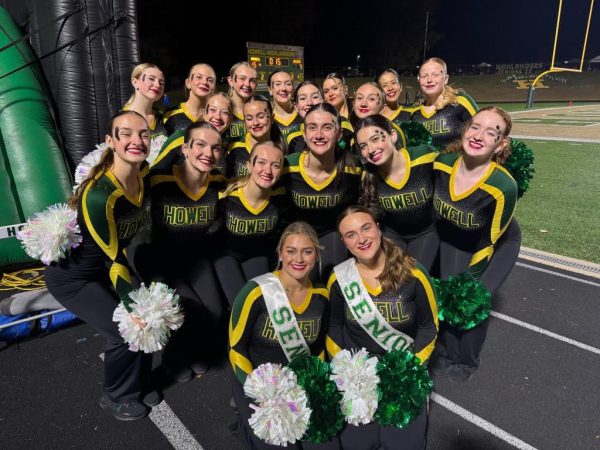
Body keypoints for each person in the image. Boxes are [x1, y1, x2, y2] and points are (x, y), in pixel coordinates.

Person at [44, 111, 154, 421]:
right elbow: (115, 260)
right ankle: (115, 395)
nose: (136, 140)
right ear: (111, 141)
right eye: (126, 134)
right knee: (124, 329)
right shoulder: (100, 195)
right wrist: (133, 306)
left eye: (143, 134)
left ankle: (140, 383)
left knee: (144, 318)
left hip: (102, 270)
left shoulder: (144, 174)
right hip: (74, 278)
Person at [327, 206, 438, 450]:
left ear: (378, 228)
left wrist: (410, 370)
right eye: (351, 234)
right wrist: (345, 370)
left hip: (403, 368)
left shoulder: (415, 274)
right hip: (359, 373)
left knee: (405, 444)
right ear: (345, 242)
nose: (362, 239)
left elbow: (428, 328)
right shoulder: (339, 279)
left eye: (366, 228)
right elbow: (334, 326)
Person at [229, 221, 339, 450]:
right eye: (291, 251)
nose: (298, 259)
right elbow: (236, 348)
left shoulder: (321, 296)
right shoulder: (255, 292)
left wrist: (315, 384)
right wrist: (257, 392)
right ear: (280, 253)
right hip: (259, 386)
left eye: (307, 252)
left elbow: (317, 349)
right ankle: (243, 421)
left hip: (298, 384)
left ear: (316, 256)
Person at [135, 121, 226, 382]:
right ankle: (172, 362)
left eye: (215, 148)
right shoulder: (158, 179)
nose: (208, 153)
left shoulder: (219, 182)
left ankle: (190, 354)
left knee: (216, 310)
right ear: (185, 148)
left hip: (196, 259)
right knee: (185, 309)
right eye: (200, 145)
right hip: (160, 258)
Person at [433, 106, 518, 382]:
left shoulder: (503, 185)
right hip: (456, 234)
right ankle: (447, 350)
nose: (480, 135)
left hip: (494, 243)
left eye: (492, 132)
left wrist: (467, 283)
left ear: (500, 144)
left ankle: (467, 360)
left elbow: (490, 240)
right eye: (475, 127)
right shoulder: (442, 163)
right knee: (445, 289)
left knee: (474, 298)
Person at [280, 103, 362, 281]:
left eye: (327, 128)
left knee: (333, 279)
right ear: (304, 133)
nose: (318, 135)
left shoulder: (352, 168)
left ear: (339, 133)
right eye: (312, 128)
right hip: (296, 235)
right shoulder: (287, 166)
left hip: (333, 235)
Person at [355, 114, 439, 271]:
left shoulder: (426, 157)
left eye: (375, 139)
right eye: (363, 146)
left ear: (392, 135)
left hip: (426, 233)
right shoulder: (368, 176)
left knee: (414, 278)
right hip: (392, 235)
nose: (371, 150)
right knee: (391, 280)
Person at [215, 141, 287, 307]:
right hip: (226, 256)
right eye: (261, 162)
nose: (267, 171)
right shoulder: (227, 194)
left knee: (264, 303)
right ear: (249, 165)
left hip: (257, 255)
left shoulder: (280, 198)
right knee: (240, 304)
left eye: (275, 165)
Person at [151, 92, 233, 170]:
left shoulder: (228, 146)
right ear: (204, 113)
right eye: (212, 110)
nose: (218, 117)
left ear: (230, 118)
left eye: (225, 112)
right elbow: (155, 174)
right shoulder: (181, 138)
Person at [411, 57, 478, 149]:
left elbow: (482, 132)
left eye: (435, 75)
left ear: (445, 79)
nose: (429, 80)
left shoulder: (460, 102)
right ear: (419, 80)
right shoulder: (414, 112)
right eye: (424, 76)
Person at [225, 94, 285, 178]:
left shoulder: (282, 148)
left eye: (261, 116)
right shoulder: (234, 147)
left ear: (272, 118)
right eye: (249, 118)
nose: (255, 123)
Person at [163, 63, 217, 135]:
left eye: (210, 80)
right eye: (199, 77)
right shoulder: (170, 115)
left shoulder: (218, 117)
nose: (204, 82)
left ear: (214, 88)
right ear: (188, 83)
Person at [123, 63, 167, 138]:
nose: (157, 85)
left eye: (161, 83)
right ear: (135, 83)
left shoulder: (164, 118)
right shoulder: (121, 118)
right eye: (151, 79)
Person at [286, 80, 323, 154]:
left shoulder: (338, 127)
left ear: (323, 101)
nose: (309, 102)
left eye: (315, 97)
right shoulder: (293, 137)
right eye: (303, 98)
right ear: (296, 107)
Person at [227, 61, 258, 141]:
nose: (247, 84)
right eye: (242, 78)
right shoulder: (219, 110)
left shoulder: (260, 111)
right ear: (231, 81)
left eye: (252, 80)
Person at [268, 70, 303, 142]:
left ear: (293, 88)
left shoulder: (303, 113)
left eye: (288, 84)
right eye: (278, 84)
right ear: (270, 90)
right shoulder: (265, 118)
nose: (283, 88)